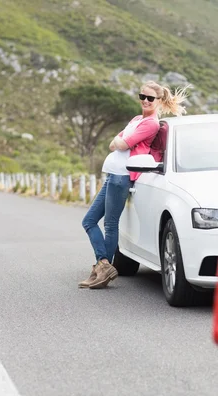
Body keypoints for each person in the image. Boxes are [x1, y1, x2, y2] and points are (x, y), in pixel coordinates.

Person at [79, 81, 190, 289]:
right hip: (113, 175)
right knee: (89, 221)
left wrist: (121, 140)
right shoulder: (137, 119)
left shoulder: (151, 124)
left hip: (122, 176)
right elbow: (114, 144)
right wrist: (119, 140)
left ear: (158, 101)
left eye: (150, 98)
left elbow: (121, 143)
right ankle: (103, 265)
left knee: (110, 224)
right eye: (142, 97)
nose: (145, 101)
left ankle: (102, 268)